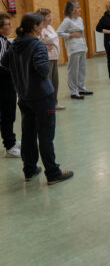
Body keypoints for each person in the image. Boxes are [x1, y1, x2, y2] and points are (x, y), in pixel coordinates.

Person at [1, 12, 73, 184]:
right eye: (41, 25)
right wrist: (42, 54)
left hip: (24, 97)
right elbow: (42, 69)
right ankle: (53, 172)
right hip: (42, 97)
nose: (42, 28)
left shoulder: (15, 43)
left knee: (28, 134)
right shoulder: (36, 45)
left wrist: (21, 71)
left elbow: (4, 63)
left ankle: (30, 169)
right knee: (46, 136)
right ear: (34, 27)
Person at [57, 0, 93, 99]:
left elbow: (82, 34)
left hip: (82, 47)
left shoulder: (80, 19)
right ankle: (73, 91)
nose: (80, 9)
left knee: (82, 69)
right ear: (71, 10)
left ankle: (81, 88)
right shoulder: (67, 20)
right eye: (77, 8)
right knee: (73, 70)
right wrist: (71, 35)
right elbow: (59, 33)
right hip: (73, 48)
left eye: (79, 7)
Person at [0, 13, 21, 158]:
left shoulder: (4, 40)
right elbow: (2, 65)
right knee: (7, 114)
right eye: (8, 24)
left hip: (6, 83)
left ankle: (11, 139)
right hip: (4, 84)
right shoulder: (1, 42)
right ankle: (9, 146)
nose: (10, 26)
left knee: (9, 113)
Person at [37, 8, 65, 110]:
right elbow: (35, 42)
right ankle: (46, 104)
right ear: (42, 18)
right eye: (48, 16)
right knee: (47, 82)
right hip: (46, 59)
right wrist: (44, 46)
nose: (50, 18)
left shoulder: (50, 27)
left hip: (54, 58)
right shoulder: (39, 29)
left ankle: (54, 102)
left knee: (55, 82)